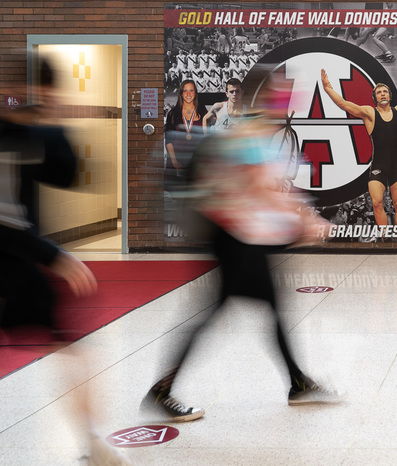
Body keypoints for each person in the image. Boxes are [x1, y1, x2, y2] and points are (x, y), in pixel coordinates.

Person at [143, 74, 338, 422]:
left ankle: (297, 383)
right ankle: (161, 391)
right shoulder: (250, 135)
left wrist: (300, 214)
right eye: (281, 97)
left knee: (269, 307)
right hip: (233, 236)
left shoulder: (258, 133)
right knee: (217, 312)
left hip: (242, 235)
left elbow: (266, 189)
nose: (284, 104)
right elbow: (257, 190)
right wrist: (302, 221)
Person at [0, 58, 128, 465]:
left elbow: (67, 173)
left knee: (72, 346)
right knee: (72, 348)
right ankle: (92, 444)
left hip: (18, 261)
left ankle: (92, 444)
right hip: (14, 257)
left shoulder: (30, 134)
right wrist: (53, 256)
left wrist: (52, 123)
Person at [321, 72, 397, 238]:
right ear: (374, 98)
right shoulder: (369, 113)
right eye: (379, 92)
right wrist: (328, 88)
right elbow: (344, 104)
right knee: (376, 203)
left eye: (385, 91)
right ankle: (384, 237)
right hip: (378, 167)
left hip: (396, 166)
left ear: (390, 95)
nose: (382, 93)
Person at [164, 79, 208, 179]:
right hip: (176, 161)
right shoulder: (173, 113)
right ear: (181, 93)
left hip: (196, 162)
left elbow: (207, 138)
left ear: (195, 93)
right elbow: (169, 141)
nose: (188, 93)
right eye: (185, 91)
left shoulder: (202, 111)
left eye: (191, 90)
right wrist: (174, 162)